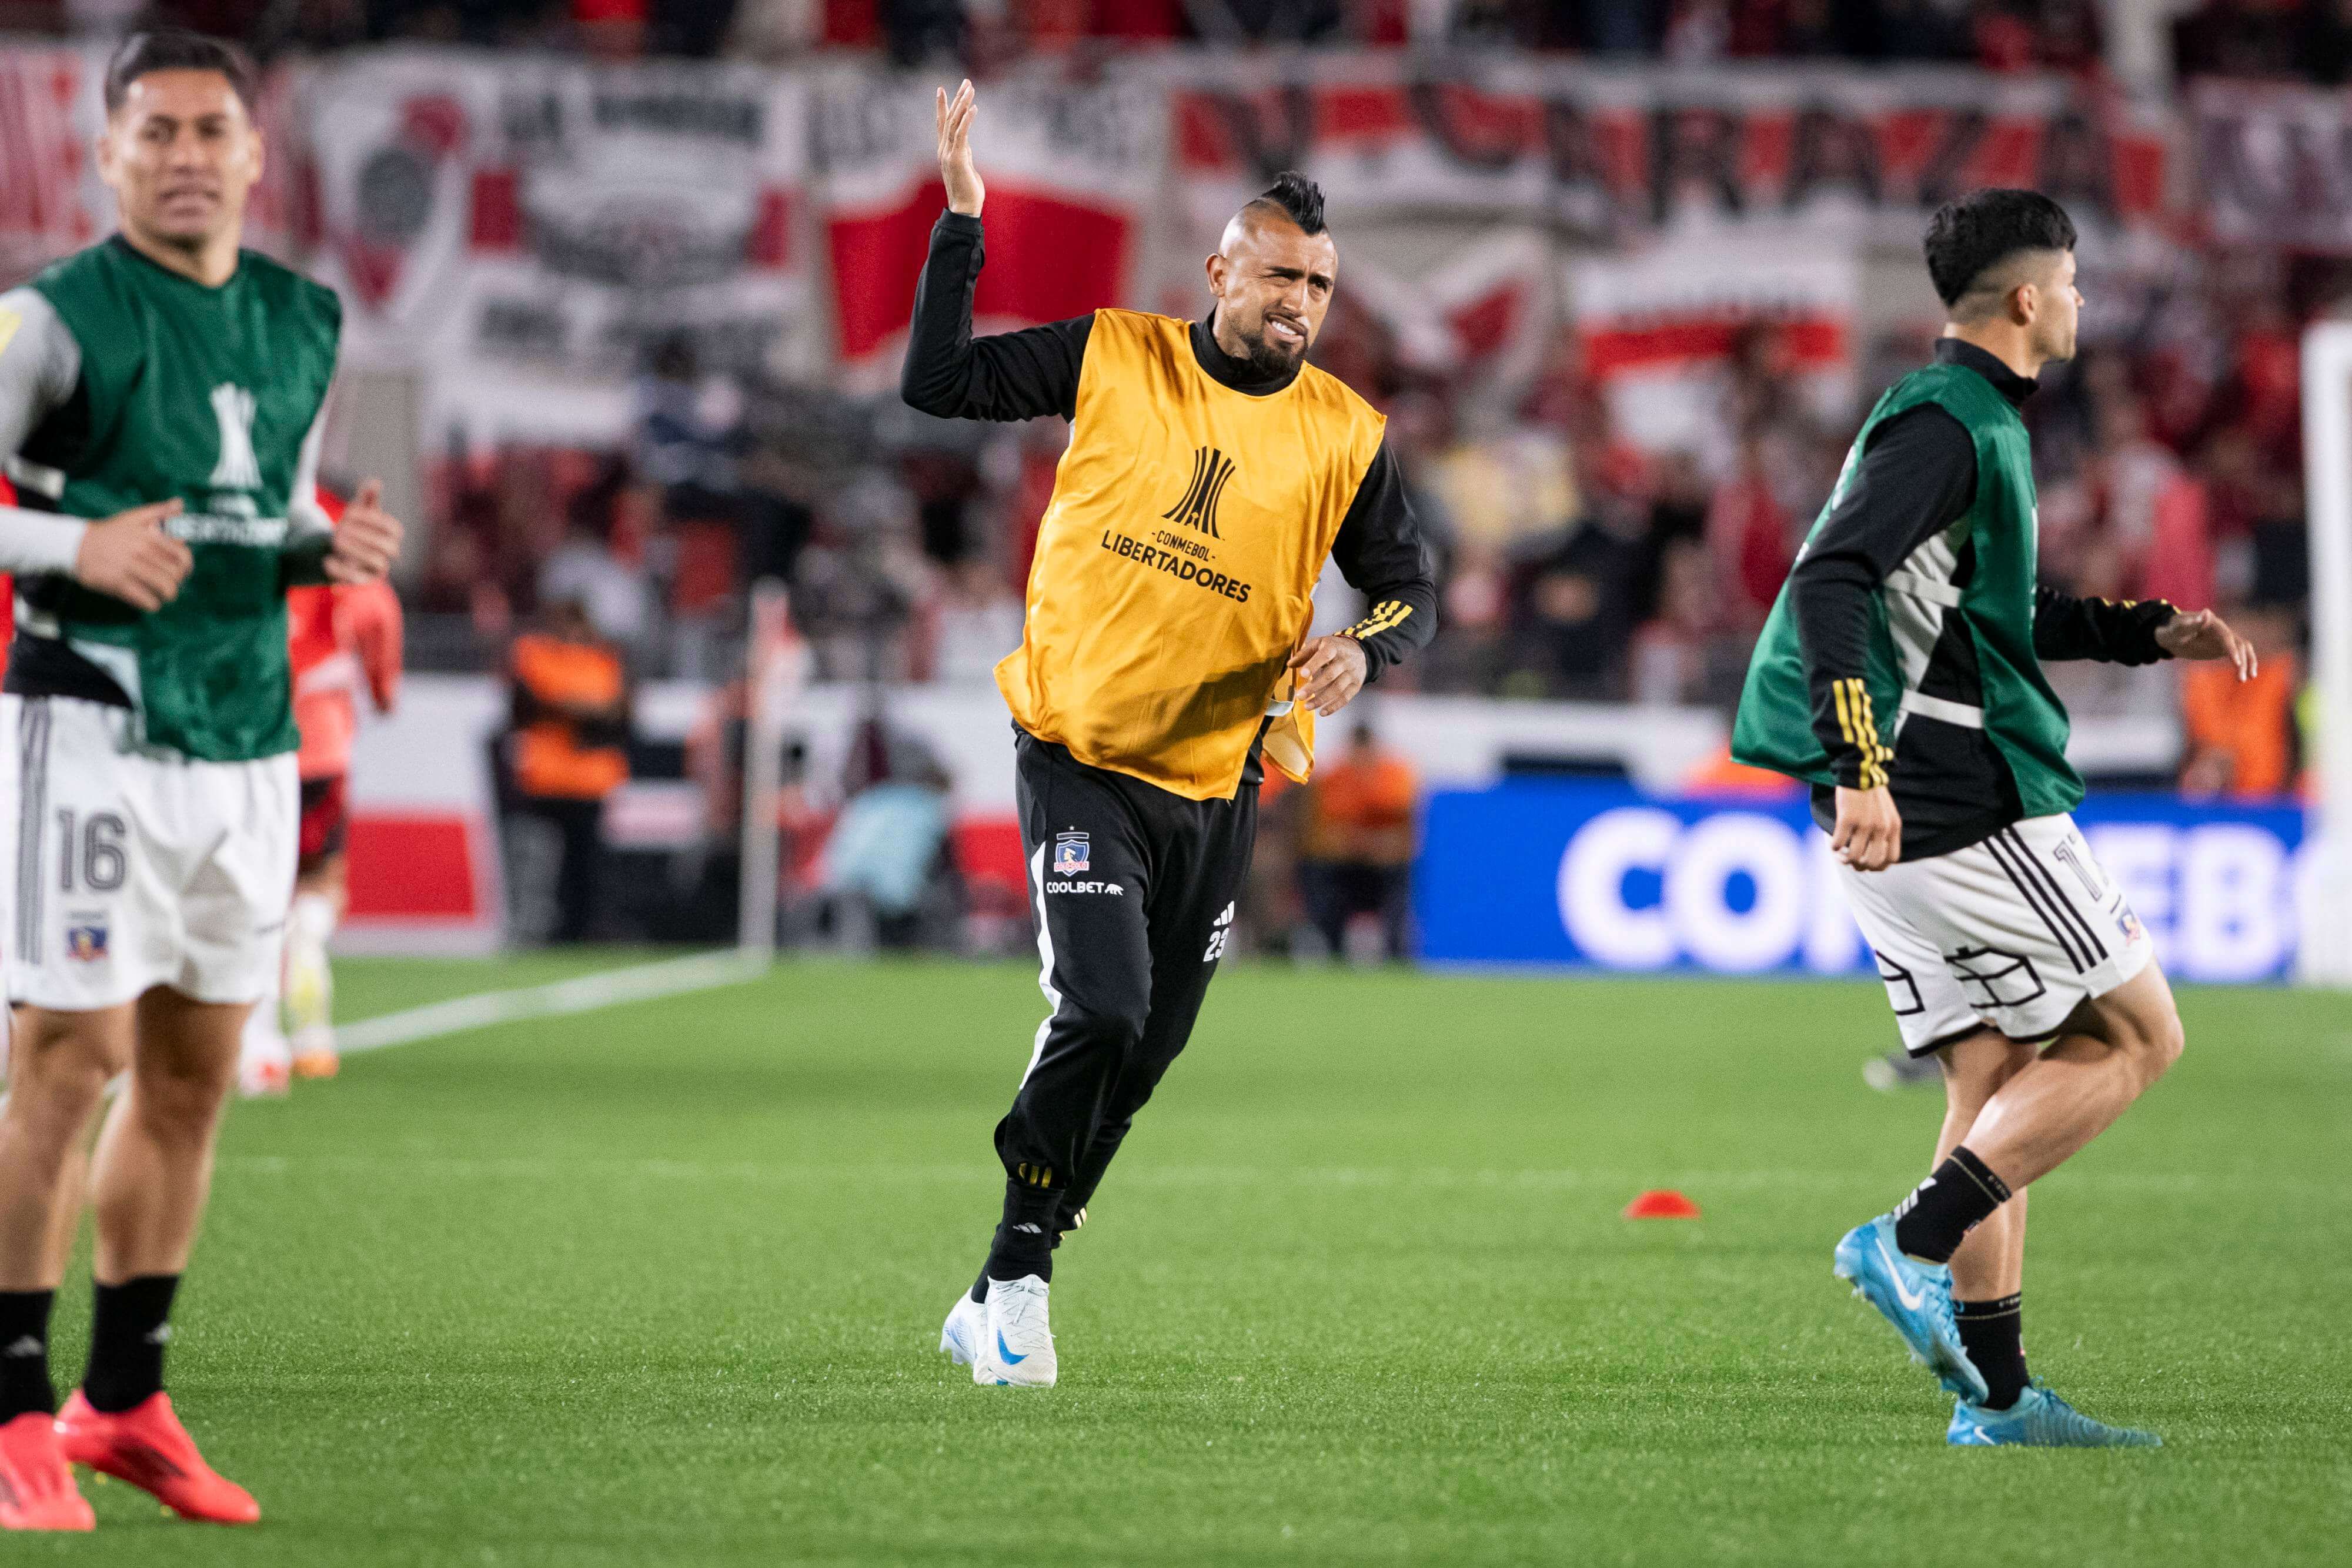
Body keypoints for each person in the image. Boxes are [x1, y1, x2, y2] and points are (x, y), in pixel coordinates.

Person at [903, 82, 1437, 1389]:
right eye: (1279, 276)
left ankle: (1001, 1281)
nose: (1299, 302)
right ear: (1219, 273)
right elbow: (938, 382)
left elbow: (1410, 590)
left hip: (1219, 780)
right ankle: (1019, 1286)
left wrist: (1364, 648)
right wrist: (962, 221)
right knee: (1102, 1006)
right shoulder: (1113, 355)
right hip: (1082, 756)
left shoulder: (1346, 434)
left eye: (1319, 285)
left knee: (1143, 1059)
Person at [1730, 189, 2255, 1449]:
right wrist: (1860, 759)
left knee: (1995, 1071)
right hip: (1952, 791)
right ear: (2026, 298)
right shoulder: (1953, 425)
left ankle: (2002, 1398)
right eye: (2069, 282)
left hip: (1894, 791)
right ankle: (1907, 1241)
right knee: (2140, 1033)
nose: (2079, 302)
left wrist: (2145, 631)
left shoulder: (1952, 418)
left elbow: (1996, 615)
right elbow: (1833, 577)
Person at [0, 31, 402, 1529]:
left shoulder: (303, 318)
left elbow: (261, 503)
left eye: (209, 131)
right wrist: (71, 545)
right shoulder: (52, 319)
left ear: (252, 155)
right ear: (107, 155)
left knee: (189, 1076)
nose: (184, 156)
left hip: (249, 735)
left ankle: (123, 1402)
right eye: (154, 132)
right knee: (68, 1060)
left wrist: (322, 548)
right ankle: (10, 1410)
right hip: (94, 720)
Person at [237, 551, 404, 1095]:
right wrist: (379, 691)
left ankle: (261, 1044)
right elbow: (383, 657)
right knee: (319, 883)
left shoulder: (258, 553)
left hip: (255, 750)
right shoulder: (355, 566)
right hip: (323, 748)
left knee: (257, 893)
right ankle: (311, 1020)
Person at [502, 598, 630, 944]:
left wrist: (573, 705)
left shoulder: (601, 660)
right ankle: (537, 930)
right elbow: (541, 696)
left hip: (588, 781)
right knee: (539, 865)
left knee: (586, 865)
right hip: (545, 780)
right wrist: (582, 706)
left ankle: (582, 931)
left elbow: (615, 708)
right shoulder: (537, 654)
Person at [1296, 720, 1418, 961]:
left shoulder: (1395, 778)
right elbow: (1320, 835)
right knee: (1316, 873)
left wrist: (1376, 846)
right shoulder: (1335, 779)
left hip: (1385, 865)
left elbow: (1407, 832)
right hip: (1344, 863)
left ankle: (1397, 951)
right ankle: (1329, 944)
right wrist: (1354, 844)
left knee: (1403, 879)